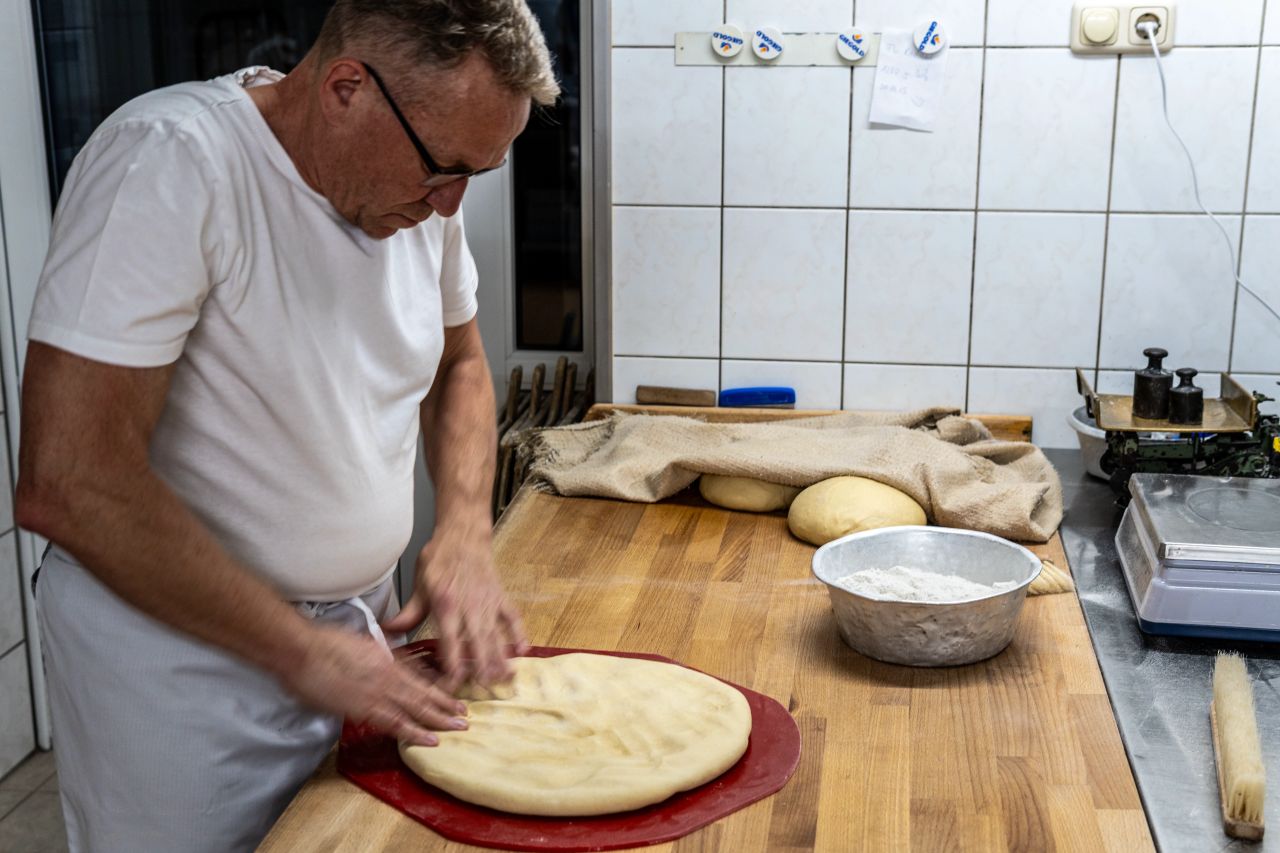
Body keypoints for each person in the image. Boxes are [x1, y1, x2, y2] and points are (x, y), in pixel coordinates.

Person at [14, 1, 560, 849]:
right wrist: (297, 648)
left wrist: (462, 528)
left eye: (475, 176)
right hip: (183, 680)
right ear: (348, 87)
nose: (453, 204)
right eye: (444, 168)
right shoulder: (174, 164)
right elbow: (70, 480)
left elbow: (460, 366)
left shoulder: (416, 204)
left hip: (357, 643)